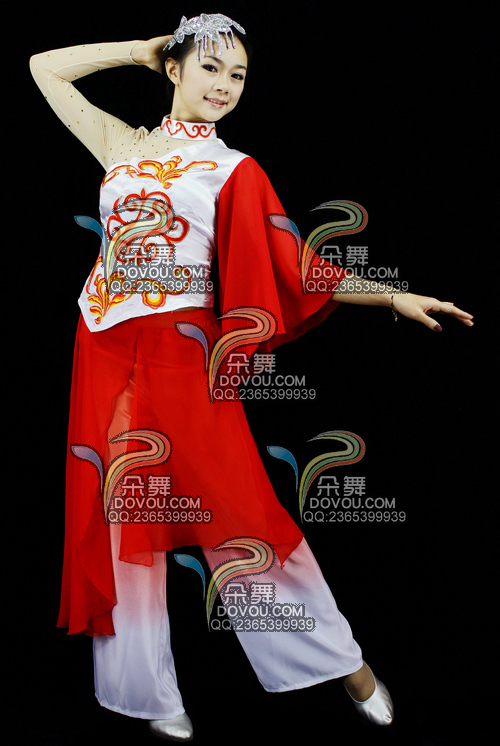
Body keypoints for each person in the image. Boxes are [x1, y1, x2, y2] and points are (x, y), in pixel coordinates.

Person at [30, 13, 474, 742]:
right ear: (174, 69)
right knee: (121, 513)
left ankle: (344, 664)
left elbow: (296, 265)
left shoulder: (234, 169)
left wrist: (391, 296)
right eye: (210, 67)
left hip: (182, 355)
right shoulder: (121, 146)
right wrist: (138, 50)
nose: (225, 85)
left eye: (237, 74)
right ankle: (145, 694)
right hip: (104, 349)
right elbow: (43, 67)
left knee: (238, 515)